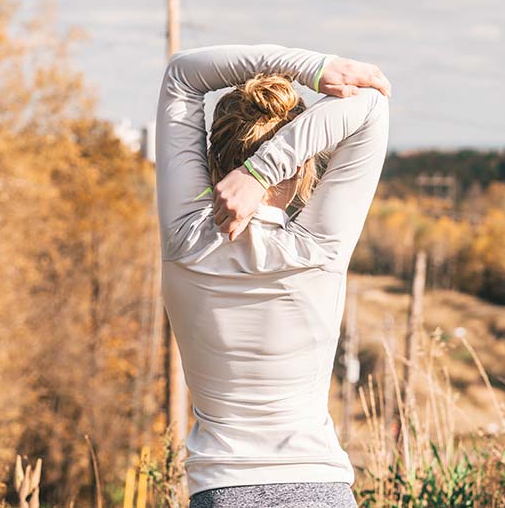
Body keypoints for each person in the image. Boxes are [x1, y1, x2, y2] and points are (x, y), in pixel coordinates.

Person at [154, 43, 391, 508]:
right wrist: (263, 172)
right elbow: (372, 105)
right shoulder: (317, 251)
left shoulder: (185, 242)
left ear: (211, 154)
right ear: (302, 165)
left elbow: (182, 75)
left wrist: (311, 69)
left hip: (222, 492)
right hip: (321, 490)